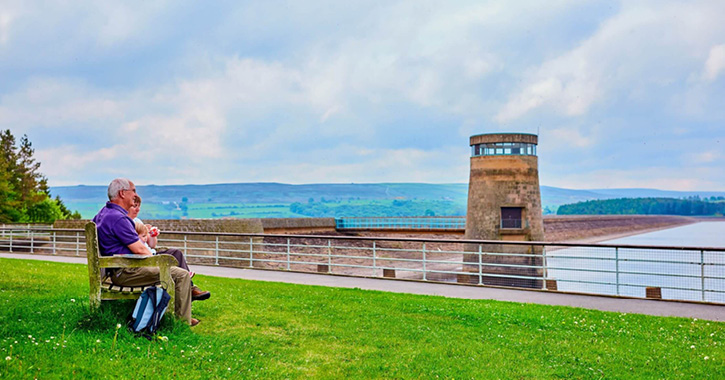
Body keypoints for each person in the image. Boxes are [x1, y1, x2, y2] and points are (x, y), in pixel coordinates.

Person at [92, 178, 200, 326]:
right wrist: (161, 264)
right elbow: (140, 250)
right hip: (126, 272)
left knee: (173, 255)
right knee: (180, 275)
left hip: (121, 267)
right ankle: (181, 323)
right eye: (133, 191)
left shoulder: (105, 213)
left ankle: (183, 306)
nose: (135, 195)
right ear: (123, 193)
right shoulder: (118, 218)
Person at [128, 196, 208, 297]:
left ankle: (190, 287)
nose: (137, 209)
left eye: (139, 206)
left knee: (176, 253)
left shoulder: (138, 221)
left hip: (151, 253)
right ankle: (190, 289)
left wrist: (153, 235)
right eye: (134, 206)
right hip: (145, 258)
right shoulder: (127, 223)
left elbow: (151, 245)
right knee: (173, 263)